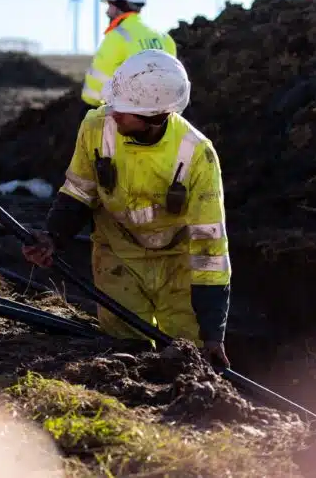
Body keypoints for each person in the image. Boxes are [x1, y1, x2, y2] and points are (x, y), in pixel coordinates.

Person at [23, 50, 232, 367]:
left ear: (156, 117)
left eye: (124, 109)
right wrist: (53, 237)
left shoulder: (197, 154)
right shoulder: (96, 127)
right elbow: (79, 192)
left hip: (177, 264)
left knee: (185, 358)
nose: (113, 113)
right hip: (116, 255)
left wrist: (213, 334)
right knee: (124, 353)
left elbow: (210, 246)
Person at [80, 0, 178, 108]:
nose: (107, 11)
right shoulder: (165, 38)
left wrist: (90, 106)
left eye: (110, 5)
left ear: (120, 6)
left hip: (128, 118)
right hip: (163, 116)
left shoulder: (118, 36)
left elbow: (95, 90)